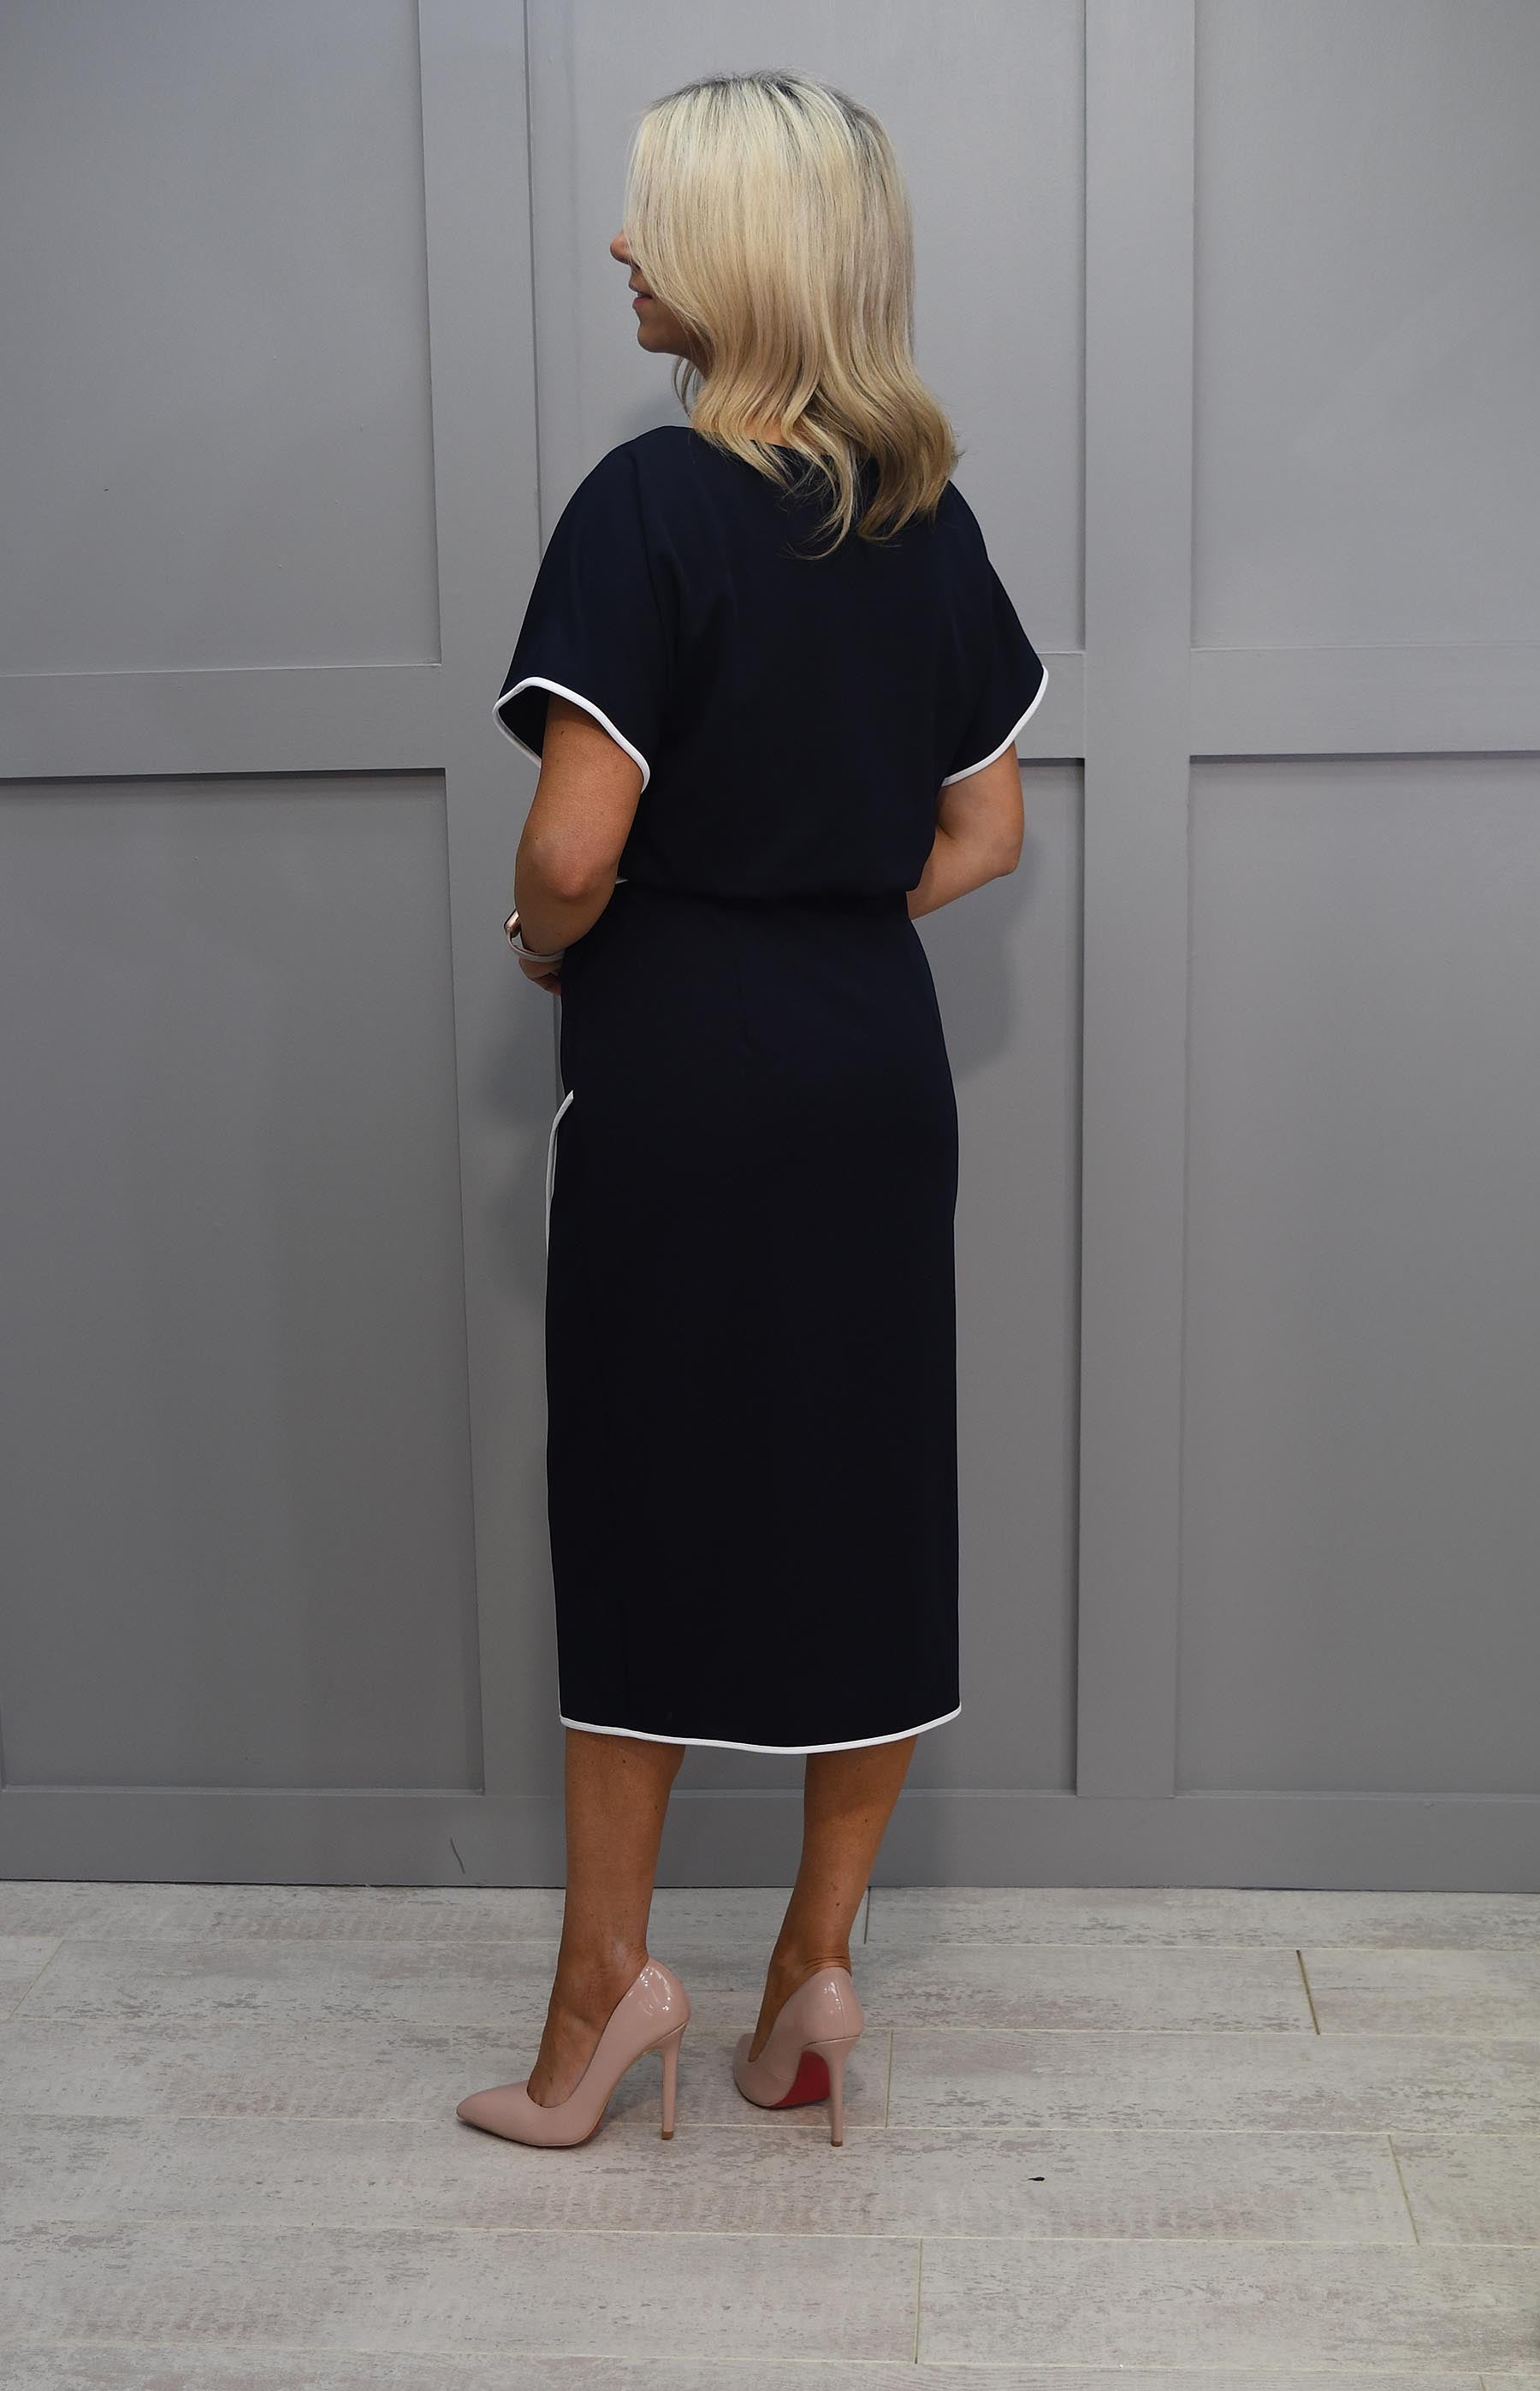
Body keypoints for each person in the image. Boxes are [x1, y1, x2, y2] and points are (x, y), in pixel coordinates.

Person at [458, 70, 1046, 2151]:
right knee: (863, 1505)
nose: (623, 245)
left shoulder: (648, 505)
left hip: (687, 1076)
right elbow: (983, 830)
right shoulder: (925, 517)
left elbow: (568, 846)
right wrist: (824, 906)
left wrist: (555, 939)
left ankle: (596, 2001)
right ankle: (813, 1977)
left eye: (653, 213)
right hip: (874, 1071)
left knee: (650, 1507)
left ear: (739, 250)